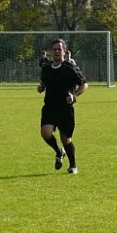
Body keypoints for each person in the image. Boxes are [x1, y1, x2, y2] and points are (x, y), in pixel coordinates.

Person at [37, 39, 88, 174]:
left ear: (64, 52)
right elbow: (43, 82)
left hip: (65, 109)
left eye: (59, 49)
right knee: (45, 132)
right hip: (50, 107)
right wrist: (41, 87)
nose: (57, 52)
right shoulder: (46, 68)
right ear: (51, 52)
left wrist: (74, 96)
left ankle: (73, 165)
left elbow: (84, 84)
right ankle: (59, 152)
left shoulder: (69, 68)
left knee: (65, 139)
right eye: (54, 49)